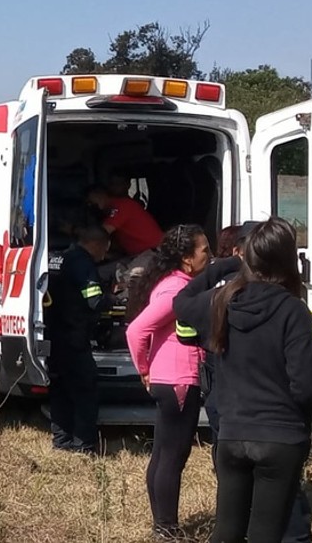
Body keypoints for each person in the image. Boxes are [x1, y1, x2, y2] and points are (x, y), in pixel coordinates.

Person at [173, 218, 312, 542]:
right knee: (266, 534)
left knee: (226, 533)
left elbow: (181, 304)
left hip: (232, 435)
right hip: (279, 435)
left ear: (248, 258)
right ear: (287, 260)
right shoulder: (293, 311)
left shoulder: (224, 302)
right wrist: (304, 419)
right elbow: (306, 386)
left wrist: (219, 267)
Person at [125, 224, 209, 540]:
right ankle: (167, 528)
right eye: (205, 251)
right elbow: (136, 330)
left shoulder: (173, 282)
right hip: (178, 379)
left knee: (162, 454)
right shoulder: (177, 290)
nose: (209, 257)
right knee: (173, 457)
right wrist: (143, 368)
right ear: (187, 259)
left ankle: (162, 524)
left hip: (168, 378)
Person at [46, 225, 112, 455]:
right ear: (96, 244)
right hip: (74, 338)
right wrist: (114, 298)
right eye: (105, 249)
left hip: (53, 337)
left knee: (60, 391)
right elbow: (94, 301)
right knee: (85, 392)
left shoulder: (58, 259)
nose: (105, 255)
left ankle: (61, 441)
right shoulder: (83, 264)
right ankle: (83, 446)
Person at [86, 184, 164, 257]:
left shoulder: (121, 206)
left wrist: (80, 238)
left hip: (152, 253)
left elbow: (101, 232)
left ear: (101, 195)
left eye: (92, 201)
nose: (91, 205)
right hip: (139, 254)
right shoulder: (110, 212)